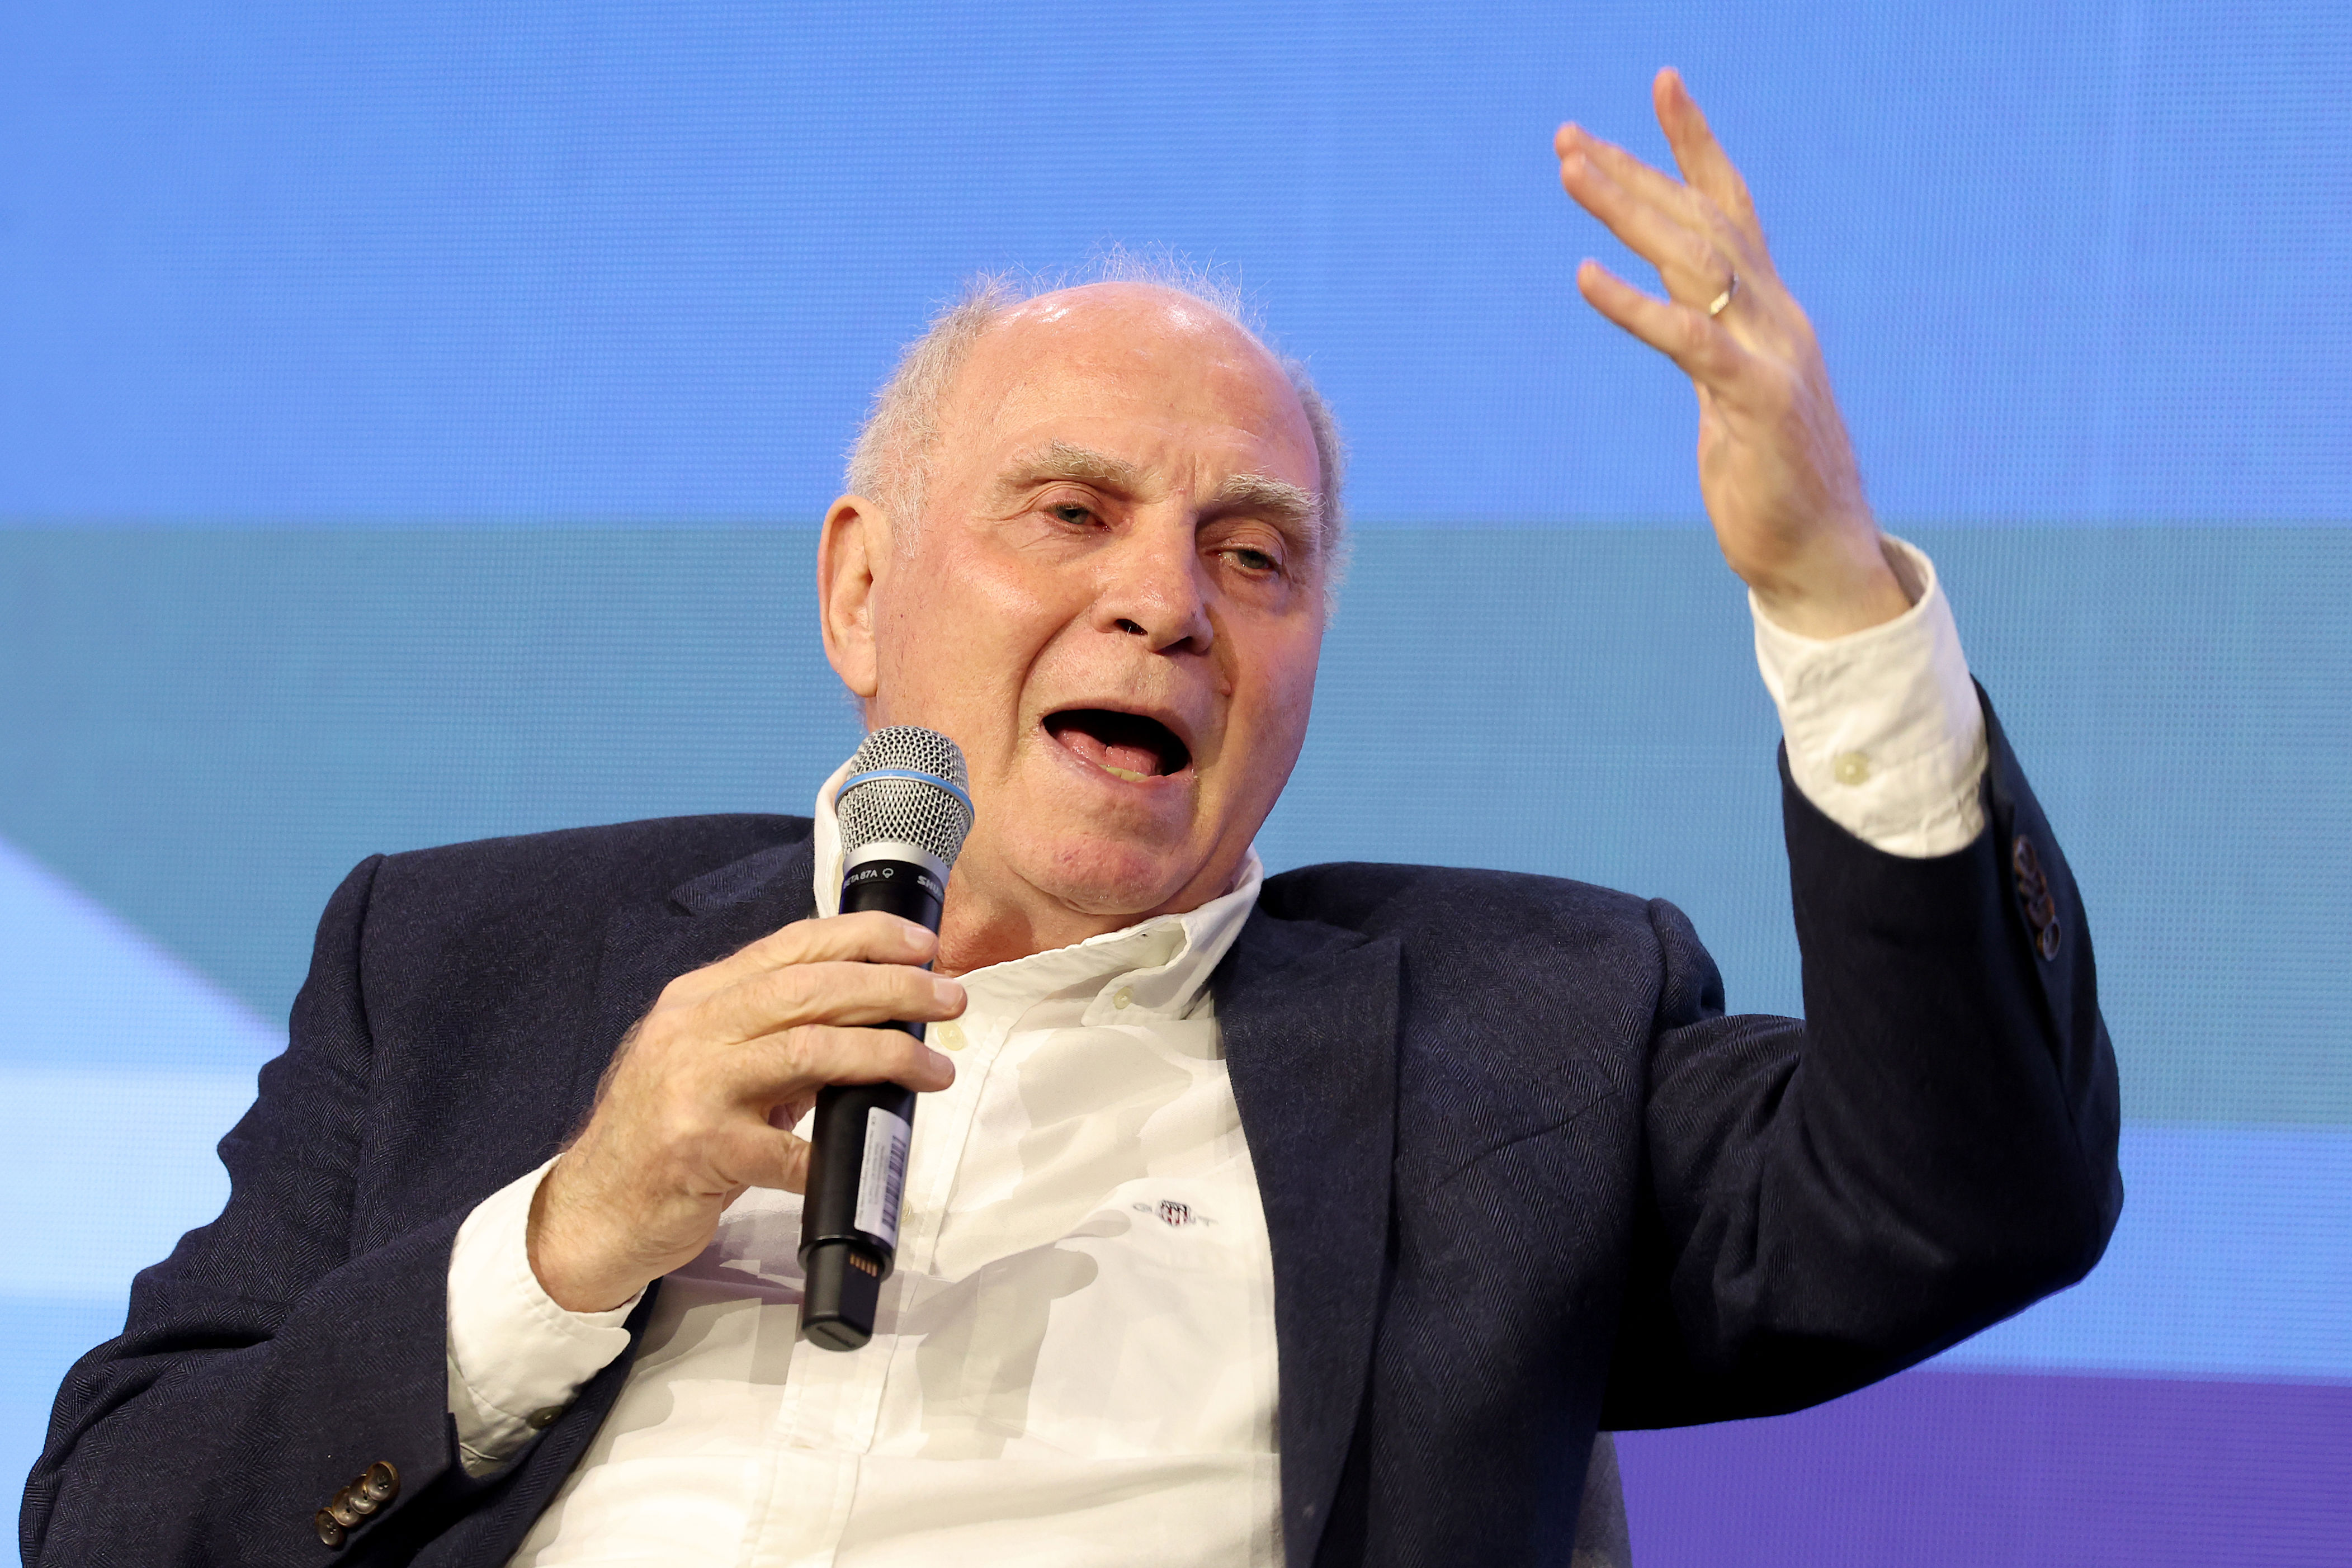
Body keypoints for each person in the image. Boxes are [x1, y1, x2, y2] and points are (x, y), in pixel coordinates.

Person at [24, 69, 2118, 1567]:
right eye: (1071, 512)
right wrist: (568, 1235)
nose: (1165, 601)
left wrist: (1831, 592)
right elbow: (115, 1516)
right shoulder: (458, 957)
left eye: (1255, 552)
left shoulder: (1530, 1032)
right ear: (862, 586)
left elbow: (1968, 1194)